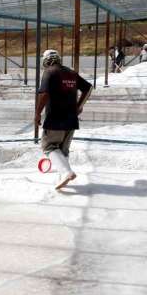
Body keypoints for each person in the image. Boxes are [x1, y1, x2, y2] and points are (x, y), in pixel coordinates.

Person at [35, 50, 92, 190]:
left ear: (46, 61)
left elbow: (44, 94)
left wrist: (37, 114)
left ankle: (66, 172)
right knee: (63, 150)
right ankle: (63, 177)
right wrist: (78, 107)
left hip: (55, 118)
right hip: (71, 120)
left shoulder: (50, 72)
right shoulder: (71, 73)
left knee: (49, 146)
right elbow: (88, 88)